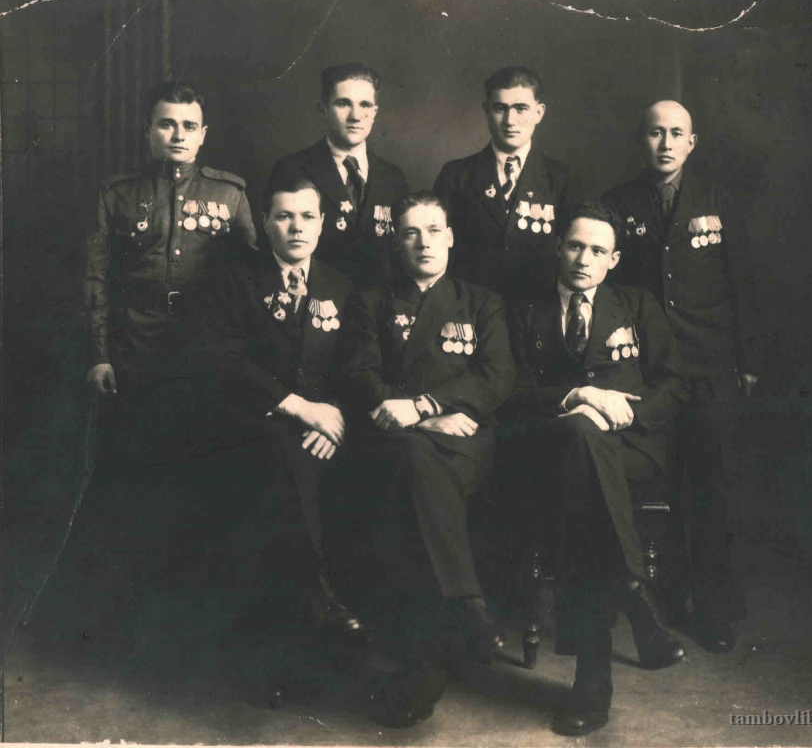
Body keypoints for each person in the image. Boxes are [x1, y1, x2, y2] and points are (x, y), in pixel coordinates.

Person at [504, 202, 689, 736]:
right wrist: (577, 396)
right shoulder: (523, 310)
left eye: (597, 250)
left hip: (631, 451)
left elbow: (675, 383)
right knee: (579, 443)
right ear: (557, 247)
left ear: (614, 259)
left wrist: (627, 412)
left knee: (583, 480)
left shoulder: (637, 304)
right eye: (575, 246)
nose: (584, 259)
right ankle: (630, 591)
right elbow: (508, 392)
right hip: (550, 452)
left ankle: (594, 682)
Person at [337, 191, 515, 727]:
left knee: (415, 483)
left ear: (451, 237)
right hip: (395, 445)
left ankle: (423, 668)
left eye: (434, 230)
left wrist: (423, 407)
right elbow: (362, 374)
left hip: (464, 444)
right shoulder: (371, 301)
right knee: (412, 467)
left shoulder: (481, 301)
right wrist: (419, 421)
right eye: (411, 233)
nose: (424, 242)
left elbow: (497, 376)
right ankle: (464, 610)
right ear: (397, 243)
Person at [602, 100, 762, 653]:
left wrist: (748, 363)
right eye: (655, 133)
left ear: (692, 143)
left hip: (711, 366)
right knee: (660, 481)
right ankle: (664, 593)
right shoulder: (618, 203)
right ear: (641, 140)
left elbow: (743, 283)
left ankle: (716, 609)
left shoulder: (718, 201)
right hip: (647, 370)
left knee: (713, 487)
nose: (666, 143)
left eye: (676, 133)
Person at [195, 177, 363, 642]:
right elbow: (223, 358)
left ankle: (319, 605)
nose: (297, 227)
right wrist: (299, 408)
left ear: (322, 223)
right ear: (265, 223)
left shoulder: (341, 286)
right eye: (284, 216)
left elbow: (357, 364)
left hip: (323, 423)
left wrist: (334, 415)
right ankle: (317, 595)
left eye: (307, 216)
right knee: (283, 455)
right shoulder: (236, 281)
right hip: (253, 419)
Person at [83, 79, 256, 458]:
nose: (178, 135)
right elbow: (95, 279)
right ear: (147, 130)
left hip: (206, 345)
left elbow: (254, 281)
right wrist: (100, 355)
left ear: (203, 134)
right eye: (167, 124)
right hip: (135, 346)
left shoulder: (230, 194)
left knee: (198, 455)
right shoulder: (117, 194)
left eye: (189, 126)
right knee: (134, 453)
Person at [433, 66, 581, 293]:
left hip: (538, 305)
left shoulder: (561, 179)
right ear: (486, 111)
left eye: (521, 108)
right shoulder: (456, 175)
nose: (510, 121)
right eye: (500, 108)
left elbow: (573, 252)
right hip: (471, 305)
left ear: (539, 112)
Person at [267, 63, 409, 287]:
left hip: (379, 302)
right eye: (343, 104)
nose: (355, 116)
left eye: (365, 105)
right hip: (316, 299)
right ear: (323, 109)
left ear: (374, 112)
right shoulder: (293, 168)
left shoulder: (393, 179)